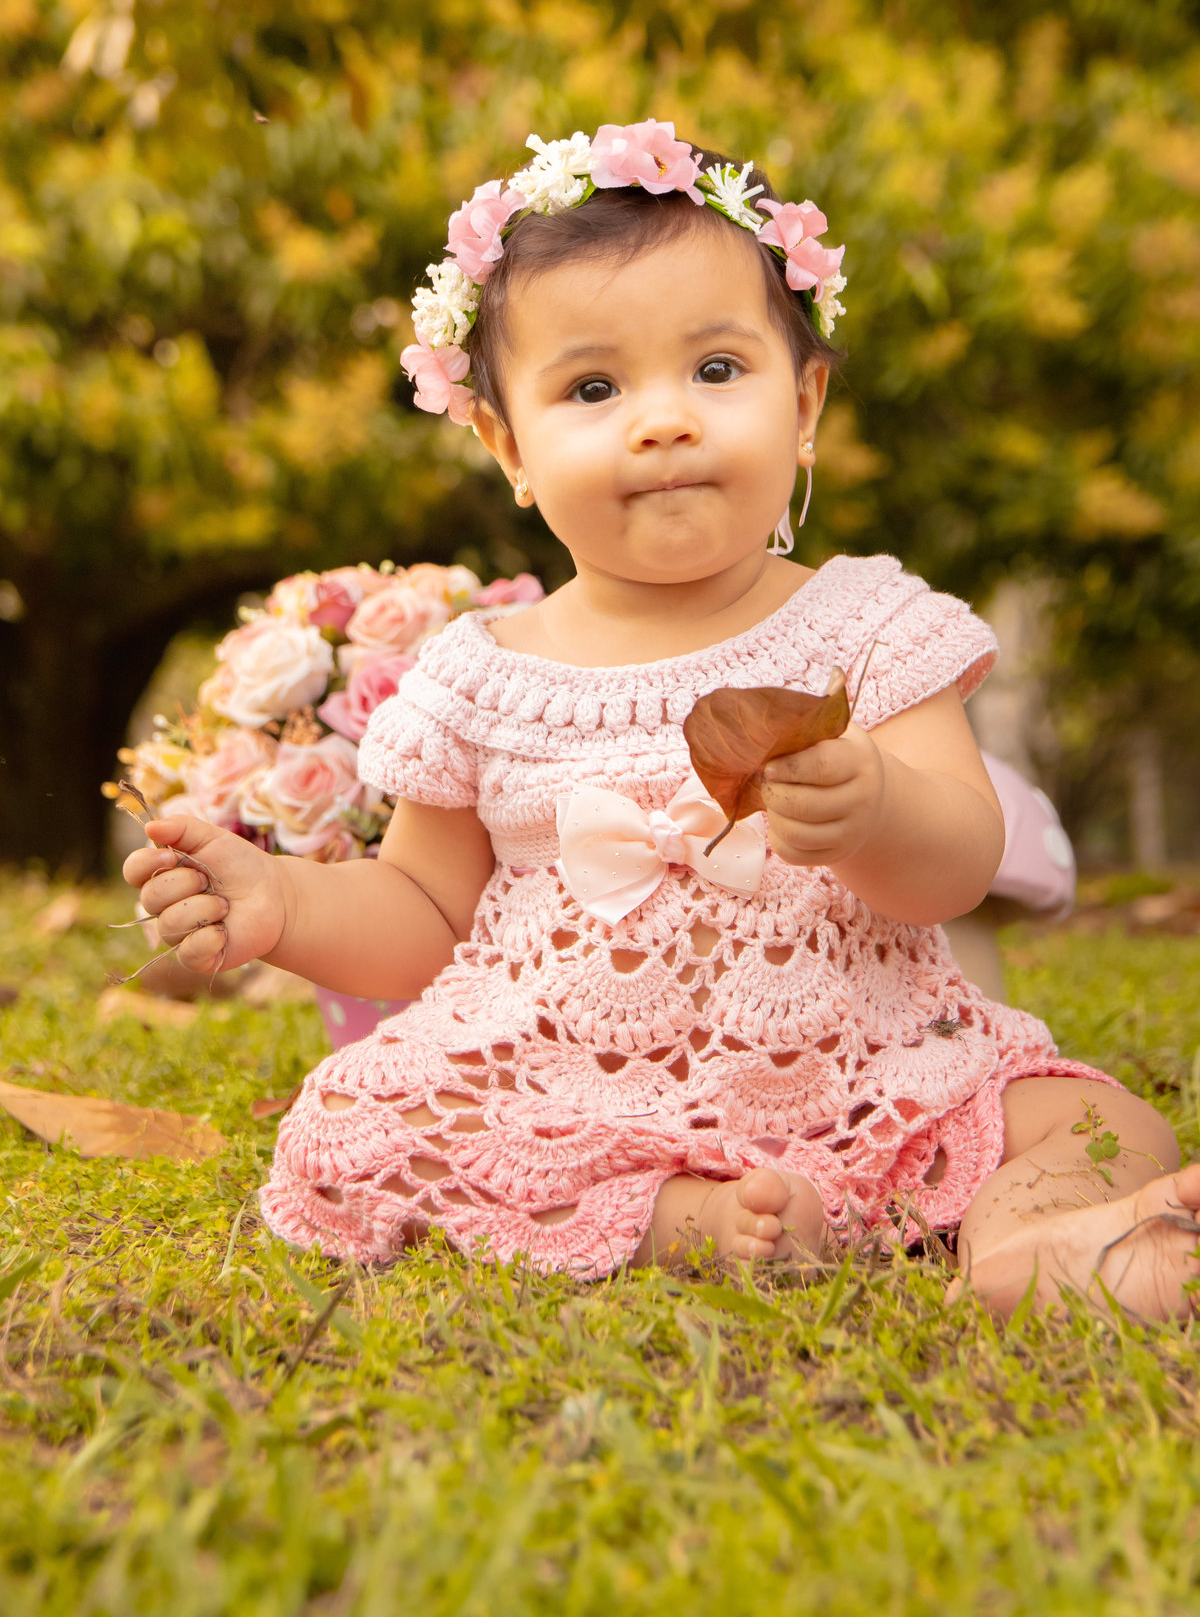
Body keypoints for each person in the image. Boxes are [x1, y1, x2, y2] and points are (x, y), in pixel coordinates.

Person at [126, 122, 1199, 1318]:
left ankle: (1026, 1254)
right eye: (594, 388)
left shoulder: (870, 626)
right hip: (566, 1084)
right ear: (505, 446)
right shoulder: (481, 676)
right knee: (352, 1125)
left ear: (804, 406)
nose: (664, 420)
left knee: (1094, 1118)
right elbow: (424, 915)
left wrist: (878, 809)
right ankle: (686, 1221)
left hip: (861, 1069)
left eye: (717, 371)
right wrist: (284, 903)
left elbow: (955, 868)